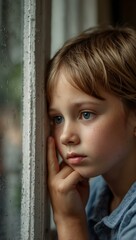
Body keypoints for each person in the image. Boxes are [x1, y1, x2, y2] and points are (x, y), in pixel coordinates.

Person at [46, 26, 136, 240]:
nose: (66, 136)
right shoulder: (98, 192)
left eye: (86, 114)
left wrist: (69, 222)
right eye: (57, 118)